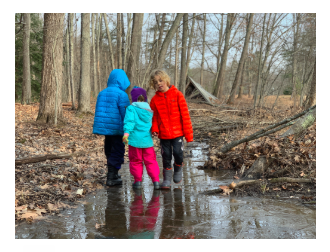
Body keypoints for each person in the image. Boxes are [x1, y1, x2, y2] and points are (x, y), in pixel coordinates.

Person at [149, 69, 193, 189]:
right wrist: (155, 129)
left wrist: (188, 135)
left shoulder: (177, 94)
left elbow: (185, 115)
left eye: (161, 80)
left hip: (178, 132)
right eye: (156, 82)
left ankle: (178, 167)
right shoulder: (154, 100)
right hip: (164, 134)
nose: (159, 83)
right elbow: (154, 117)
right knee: (166, 155)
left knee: (178, 152)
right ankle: (167, 178)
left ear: (166, 80)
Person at [93, 69, 130, 186]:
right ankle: (112, 176)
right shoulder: (122, 94)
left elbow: (99, 110)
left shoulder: (102, 92)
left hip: (106, 128)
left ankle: (112, 173)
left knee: (109, 148)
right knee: (118, 150)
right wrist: (128, 127)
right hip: (117, 128)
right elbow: (125, 113)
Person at [123, 86, 160, 189]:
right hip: (147, 142)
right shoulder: (149, 110)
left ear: (133, 98)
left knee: (136, 161)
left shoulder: (131, 108)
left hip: (135, 142)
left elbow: (129, 122)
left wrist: (126, 134)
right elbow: (152, 124)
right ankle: (156, 181)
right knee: (151, 161)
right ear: (145, 98)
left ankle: (138, 181)